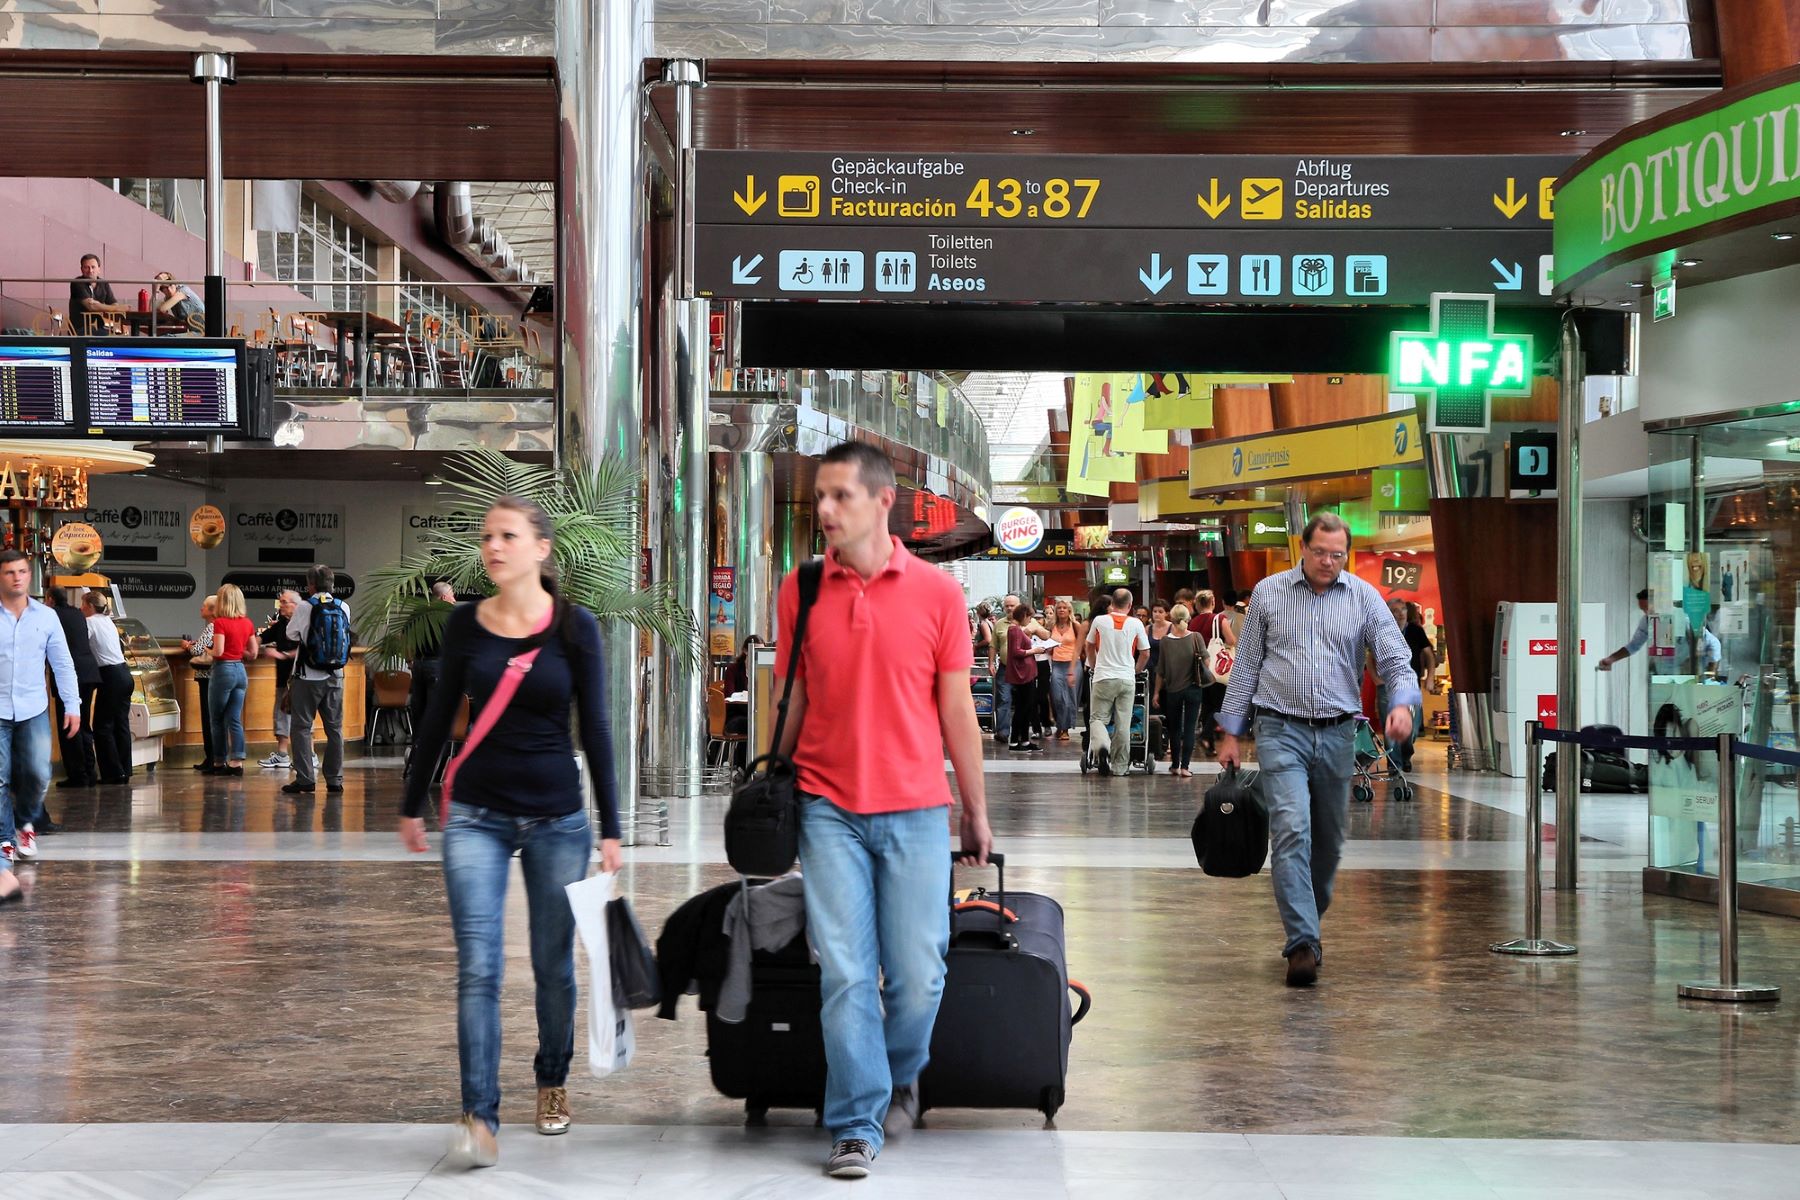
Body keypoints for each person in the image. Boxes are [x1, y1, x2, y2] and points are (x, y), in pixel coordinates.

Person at [769, 440, 990, 1179]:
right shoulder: (801, 588)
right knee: (846, 972)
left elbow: (956, 710)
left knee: (920, 973)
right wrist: (766, 782)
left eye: (841, 495)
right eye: (820, 497)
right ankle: (856, 1121)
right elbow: (794, 695)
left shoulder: (938, 594)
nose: (826, 509)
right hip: (825, 804)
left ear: (883, 501)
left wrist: (975, 809)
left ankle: (896, 1075)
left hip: (917, 807)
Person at [399, 495, 624, 1169]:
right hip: (476, 814)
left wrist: (612, 828)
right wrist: (411, 803)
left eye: (507, 536)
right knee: (479, 963)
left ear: (541, 549)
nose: (493, 547)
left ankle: (552, 1078)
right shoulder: (465, 625)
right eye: (487, 537)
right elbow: (438, 716)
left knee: (553, 965)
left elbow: (597, 727)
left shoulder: (576, 627)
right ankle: (480, 1114)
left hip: (558, 816)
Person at [1216, 513, 1418, 988]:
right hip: (1278, 728)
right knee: (1291, 829)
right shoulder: (1269, 593)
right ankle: (1302, 943)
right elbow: (1247, 665)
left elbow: (1395, 657)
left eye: (1337, 554)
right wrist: (1231, 732)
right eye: (1320, 552)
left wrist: (1403, 703)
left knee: (1328, 842)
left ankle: (1308, 916)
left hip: (1337, 733)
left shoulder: (1363, 597)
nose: (1328, 561)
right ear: (1302, 549)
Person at [0, 551, 80, 866]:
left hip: (33, 708)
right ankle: (4, 839)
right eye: (9, 572)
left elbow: (63, 663)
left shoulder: (46, 617)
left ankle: (24, 823)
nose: (17, 577)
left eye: (22, 571)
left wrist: (72, 705)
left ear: (29, 575)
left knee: (38, 773)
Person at [284, 565, 349, 796]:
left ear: (310, 585)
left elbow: (290, 634)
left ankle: (305, 779)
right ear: (332, 584)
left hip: (308, 676)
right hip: (335, 675)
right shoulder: (343, 606)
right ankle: (335, 779)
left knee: (301, 727)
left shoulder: (305, 606)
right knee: (335, 729)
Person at [1084, 589, 1150, 776]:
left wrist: (1095, 666)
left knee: (1098, 719)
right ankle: (1120, 767)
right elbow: (1145, 653)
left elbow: (1089, 645)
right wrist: (1135, 671)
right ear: (1130, 605)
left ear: (1112, 603)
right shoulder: (1136, 623)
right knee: (1123, 723)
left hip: (1103, 677)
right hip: (1126, 678)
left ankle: (1102, 745)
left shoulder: (1099, 621)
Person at [47, 585, 100, 792]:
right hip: (89, 672)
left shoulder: (52, 616)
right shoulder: (78, 614)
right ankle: (90, 771)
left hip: (70, 676)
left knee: (69, 724)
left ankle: (77, 774)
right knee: (84, 722)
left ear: (50, 599)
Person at [404, 581, 457, 779]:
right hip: (439, 667)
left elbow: (404, 638)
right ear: (443, 597)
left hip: (419, 667)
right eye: (452, 595)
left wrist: (410, 661)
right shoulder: (450, 614)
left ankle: (415, 765)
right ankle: (435, 768)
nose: (454, 600)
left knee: (419, 716)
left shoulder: (418, 613)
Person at [83, 591, 135, 786]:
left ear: (90, 606)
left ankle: (113, 773)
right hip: (124, 674)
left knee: (102, 726)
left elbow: (81, 646)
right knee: (121, 724)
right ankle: (125, 770)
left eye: (82, 605)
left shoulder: (89, 622)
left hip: (110, 676)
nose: (81, 609)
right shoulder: (108, 622)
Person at [207, 584, 259, 778]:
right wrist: (237, 650)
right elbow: (253, 653)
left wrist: (206, 650)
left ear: (222, 601)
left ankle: (219, 761)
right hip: (240, 671)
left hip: (223, 671)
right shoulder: (247, 623)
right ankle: (237, 762)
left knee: (217, 719)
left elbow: (218, 651)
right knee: (234, 719)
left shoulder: (220, 623)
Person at [1153, 604, 1207, 778]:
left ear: (1171, 618)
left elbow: (1160, 670)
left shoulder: (1165, 641)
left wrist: (1156, 692)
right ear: (1188, 618)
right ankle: (1185, 767)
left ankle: (1175, 765)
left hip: (1173, 690)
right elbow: (1206, 662)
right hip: (1194, 688)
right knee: (1190, 728)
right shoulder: (1196, 637)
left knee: (1174, 728)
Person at [258, 590, 303, 771]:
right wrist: (252, 642)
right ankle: (283, 755)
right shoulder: (282, 623)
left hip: (299, 678)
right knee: (282, 715)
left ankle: (309, 755)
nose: (280, 605)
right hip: (283, 678)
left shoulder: (303, 621)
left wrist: (280, 654)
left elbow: (306, 648)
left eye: (284, 602)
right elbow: (264, 636)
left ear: (295, 604)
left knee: (302, 717)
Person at [1194, 589, 1237, 757]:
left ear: (1198, 604)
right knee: (1220, 706)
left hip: (1199, 670)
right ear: (1213, 602)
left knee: (1207, 706)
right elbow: (1231, 640)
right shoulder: (1219, 619)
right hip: (1217, 670)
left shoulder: (1193, 622)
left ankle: (1209, 745)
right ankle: (1205, 735)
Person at [181, 596, 218, 773]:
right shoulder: (221, 626)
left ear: (212, 610)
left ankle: (211, 758)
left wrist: (187, 646)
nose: (200, 609)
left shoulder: (212, 627)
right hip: (216, 676)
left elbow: (196, 650)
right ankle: (213, 757)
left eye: (204, 606)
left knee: (208, 717)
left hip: (207, 676)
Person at [1006, 603, 1043, 753]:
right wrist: (1034, 650)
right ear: (1024, 615)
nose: (1029, 621)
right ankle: (1015, 740)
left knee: (1026, 707)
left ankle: (1024, 740)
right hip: (1023, 674)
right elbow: (1016, 651)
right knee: (1023, 708)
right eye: (1029, 617)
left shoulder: (1016, 629)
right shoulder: (1014, 630)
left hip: (1026, 673)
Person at [1048, 599, 1081, 742]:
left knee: (1069, 697)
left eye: (1064, 608)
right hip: (1057, 663)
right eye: (1059, 608)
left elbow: (1082, 644)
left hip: (1073, 663)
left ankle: (1065, 728)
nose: (1061, 610)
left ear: (1069, 610)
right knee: (1056, 697)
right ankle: (1060, 724)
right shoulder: (1052, 626)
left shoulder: (1075, 625)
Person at [1598, 589, 1653, 671]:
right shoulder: (1646, 621)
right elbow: (1633, 646)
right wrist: (1611, 659)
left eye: (1648, 609)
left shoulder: (1671, 616)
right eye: (1643, 610)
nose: (1646, 613)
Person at [69, 253, 124, 333]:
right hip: (80, 329)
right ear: (81, 269)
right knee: (113, 337)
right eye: (86, 267)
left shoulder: (103, 283)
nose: (90, 271)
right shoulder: (77, 282)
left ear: (99, 269)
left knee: (121, 336)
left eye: (93, 267)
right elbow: (92, 306)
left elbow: (114, 304)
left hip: (99, 327)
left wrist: (100, 305)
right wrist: (116, 308)